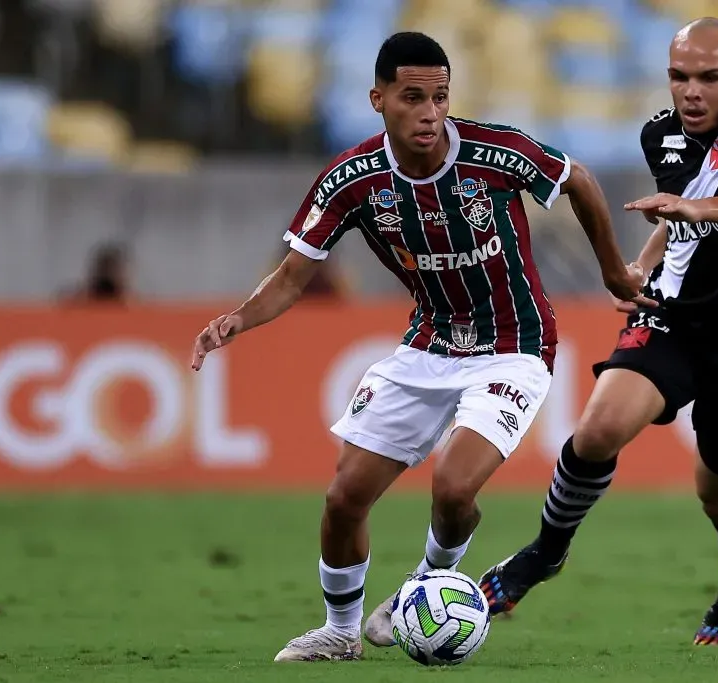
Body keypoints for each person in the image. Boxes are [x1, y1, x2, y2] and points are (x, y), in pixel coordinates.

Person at [188, 31, 645, 662]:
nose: (430, 112)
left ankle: (424, 583)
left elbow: (580, 180)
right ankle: (341, 633)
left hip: (515, 344)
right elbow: (294, 275)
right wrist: (235, 320)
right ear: (378, 99)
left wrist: (615, 271)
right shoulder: (352, 181)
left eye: (439, 97)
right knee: (344, 497)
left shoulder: (495, 151)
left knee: (454, 488)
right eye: (413, 98)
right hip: (428, 345)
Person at [478, 17, 718, 647]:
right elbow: (682, 205)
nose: (692, 92)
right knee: (599, 428)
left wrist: (697, 210)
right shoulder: (660, 134)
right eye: (680, 77)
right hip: (677, 317)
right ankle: (545, 553)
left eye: (710, 78)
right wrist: (644, 264)